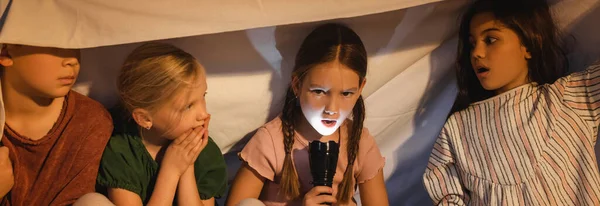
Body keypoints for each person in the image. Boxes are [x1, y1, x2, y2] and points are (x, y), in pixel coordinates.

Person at [423, 0, 600, 205]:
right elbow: (446, 195)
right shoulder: (457, 129)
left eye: (490, 39)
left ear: (529, 45)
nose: (476, 53)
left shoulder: (568, 99)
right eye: (472, 44)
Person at [226, 23, 389, 206]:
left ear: (360, 89)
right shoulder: (272, 141)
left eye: (346, 94)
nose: (332, 109)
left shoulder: (360, 143)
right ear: (297, 85)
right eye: (319, 92)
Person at [0, 44, 113, 205]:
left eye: (74, 45)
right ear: (5, 53)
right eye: (53, 47)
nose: (72, 61)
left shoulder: (89, 121)